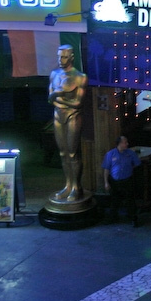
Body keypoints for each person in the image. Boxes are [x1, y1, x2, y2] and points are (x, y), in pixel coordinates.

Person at [49, 44, 88, 202]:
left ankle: (76, 187)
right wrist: (59, 96)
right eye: (59, 57)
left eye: (64, 57)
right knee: (63, 153)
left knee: (73, 153)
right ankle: (68, 185)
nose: (61, 60)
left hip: (73, 116)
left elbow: (78, 103)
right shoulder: (54, 74)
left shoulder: (80, 77)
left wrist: (58, 96)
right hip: (58, 116)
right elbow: (50, 98)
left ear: (71, 57)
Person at [102, 135, 141, 226]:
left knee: (130, 200)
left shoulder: (131, 153)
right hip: (115, 181)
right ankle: (113, 217)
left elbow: (137, 163)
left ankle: (133, 218)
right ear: (119, 144)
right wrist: (106, 182)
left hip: (127, 180)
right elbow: (106, 169)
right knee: (114, 200)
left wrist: (129, 169)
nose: (127, 144)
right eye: (125, 142)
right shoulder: (110, 154)